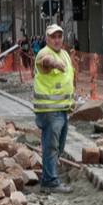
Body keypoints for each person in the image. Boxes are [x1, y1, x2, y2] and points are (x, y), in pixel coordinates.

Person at [33, 24, 75, 193]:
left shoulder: (64, 54)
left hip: (62, 109)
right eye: (53, 37)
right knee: (51, 146)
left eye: (59, 36)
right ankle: (50, 181)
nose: (57, 40)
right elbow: (46, 62)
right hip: (49, 111)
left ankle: (49, 175)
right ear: (47, 38)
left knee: (59, 145)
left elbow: (68, 78)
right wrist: (55, 64)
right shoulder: (45, 53)